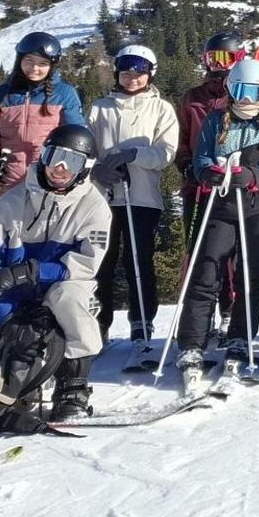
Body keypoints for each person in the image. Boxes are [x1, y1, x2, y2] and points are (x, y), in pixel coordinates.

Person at [0, 123, 111, 421]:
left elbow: (83, 265)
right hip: (14, 292)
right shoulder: (12, 203)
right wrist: (6, 316)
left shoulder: (94, 207)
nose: (59, 167)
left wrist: (27, 272)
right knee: (1, 321)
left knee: (70, 298)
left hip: (60, 285)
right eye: (54, 155)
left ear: (84, 167)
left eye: (70, 161)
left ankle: (73, 387)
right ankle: (6, 383)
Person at [177, 56, 259, 378]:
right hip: (222, 203)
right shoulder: (217, 118)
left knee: (249, 275)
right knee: (207, 270)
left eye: (253, 91)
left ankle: (241, 337)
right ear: (230, 87)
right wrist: (206, 173)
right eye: (239, 89)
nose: (245, 98)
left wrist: (255, 173)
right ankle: (192, 343)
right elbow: (201, 155)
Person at [86, 44, 178, 346]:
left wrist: (133, 154)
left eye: (139, 74)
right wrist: (95, 170)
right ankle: (99, 323)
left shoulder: (161, 108)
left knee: (139, 260)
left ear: (151, 74)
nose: (132, 79)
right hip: (103, 197)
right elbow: (87, 148)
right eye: (126, 73)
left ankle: (142, 321)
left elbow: (165, 153)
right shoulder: (101, 107)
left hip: (142, 196)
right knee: (101, 261)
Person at [177, 30, 247, 340]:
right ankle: (199, 316)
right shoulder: (194, 97)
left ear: (238, 60)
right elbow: (180, 139)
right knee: (200, 254)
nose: (218, 65)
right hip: (199, 186)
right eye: (212, 58)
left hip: (233, 186)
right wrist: (187, 167)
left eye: (226, 59)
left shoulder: (244, 95)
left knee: (229, 255)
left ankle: (229, 311)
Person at [0, 31, 86, 202]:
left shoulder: (64, 94)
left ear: (51, 66)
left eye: (42, 63)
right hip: (7, 179)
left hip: (47, 178)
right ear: (19, 61)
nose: (34, 68)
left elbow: (75, 139)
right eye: (29, 61)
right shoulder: (0, 95)